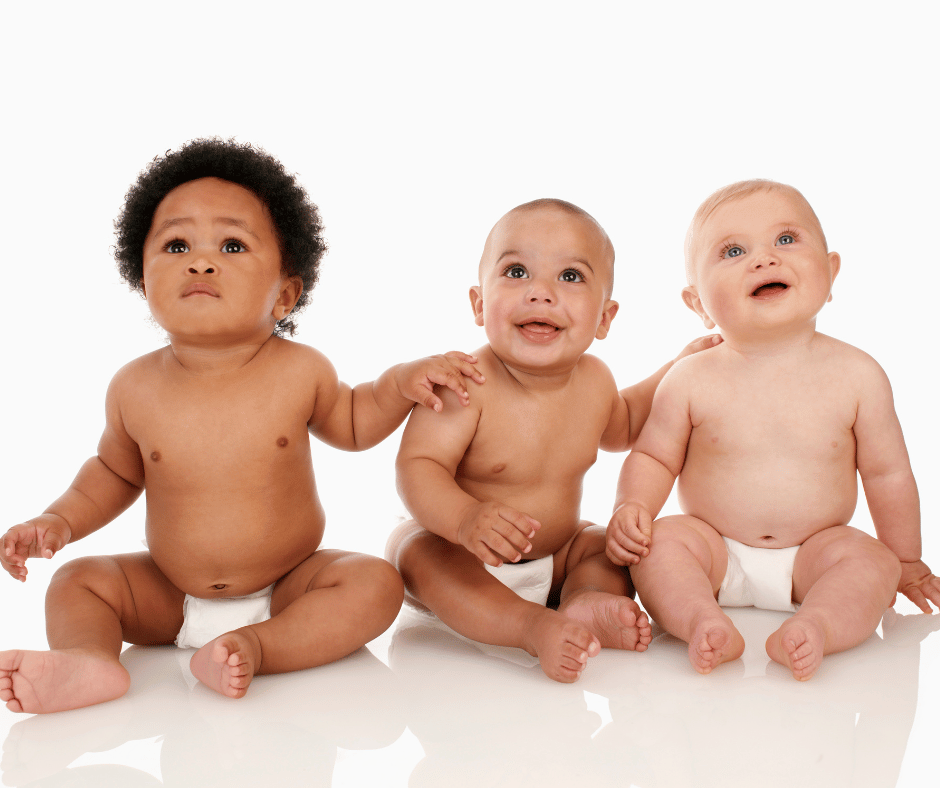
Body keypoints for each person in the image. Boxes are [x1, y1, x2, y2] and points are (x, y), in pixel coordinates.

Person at [0, 139, 482, 713]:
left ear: (284, 295)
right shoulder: (134, 387)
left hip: (289, 587)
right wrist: (58, 520)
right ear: (142, 279)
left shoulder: (300, 370)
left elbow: (354, 422)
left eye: (232, 245)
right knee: (77, 582)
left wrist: (402, 382)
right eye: (177, 244)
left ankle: (257, 646)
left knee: (374, 584)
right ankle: (91, 661)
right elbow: (111, 473)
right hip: (168, 593)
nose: (201, 261)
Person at [606, 179, 940, 681]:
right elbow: (654, 457)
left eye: (786, 240)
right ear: (697, 303)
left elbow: (888, 474)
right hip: (712, 547)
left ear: (830, 272)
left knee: (871, 562)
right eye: (733, 251)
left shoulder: (858, 375)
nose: (763, 260)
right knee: (661, 547)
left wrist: (907, 559)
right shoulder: (692, 377)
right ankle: (701, 618)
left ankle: (818, 625)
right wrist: (632, 508)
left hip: (816, 554)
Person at [386, 198, 719, 682]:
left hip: (555, 554)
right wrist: (464, 519)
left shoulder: (596, 381)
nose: (540, 292)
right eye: (517, 271)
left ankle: (583, 601)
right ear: (480, 304)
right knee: (421, 554)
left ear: (604, 318)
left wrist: (679, 367)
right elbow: (417, 466)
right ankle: (530, 625)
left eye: (570, 277)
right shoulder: (466, 383)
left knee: (606, 546)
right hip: (461, 551)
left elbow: (623, 426)